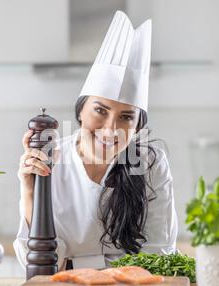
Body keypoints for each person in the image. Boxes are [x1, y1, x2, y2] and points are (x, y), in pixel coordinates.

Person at [14, 11, 178, 271]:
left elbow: (157, 259)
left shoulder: (149, 164)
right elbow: (39, 265)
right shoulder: (49, 158)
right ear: (81, 110)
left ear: (137, 128)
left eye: (126, 117)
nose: (111, 129)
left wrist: (73, 265)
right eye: (100, 110)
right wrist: (30, 189)